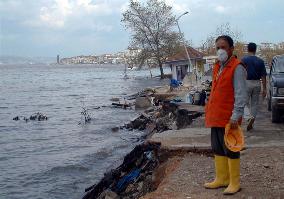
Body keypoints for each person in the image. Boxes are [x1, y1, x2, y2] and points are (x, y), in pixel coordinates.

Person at [204, 35, 247, 195]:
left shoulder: (237, 67)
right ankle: (222, 178)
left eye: (223, 47)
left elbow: (241, 94)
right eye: (218, 48)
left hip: (229, 118)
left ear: (231, 49)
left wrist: (236, 116)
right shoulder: (217, 66)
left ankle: (234, 182)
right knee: (217, 148)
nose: (220, 50)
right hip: (215, 115)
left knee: (231, 148)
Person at [242, 43, 267, 131]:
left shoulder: (243, 60)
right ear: (255, 50)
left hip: (246, 83)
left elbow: (241, 73)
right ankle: (251, 121)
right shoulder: (260, 61)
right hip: (257, 83)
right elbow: (263, 76)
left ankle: (249, 118)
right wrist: (264, 89)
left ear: (248, 49)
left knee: (243, 102)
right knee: (255, 104)